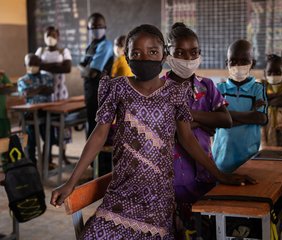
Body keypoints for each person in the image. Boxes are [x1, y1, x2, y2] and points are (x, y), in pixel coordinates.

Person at [51, 24, 255, 239]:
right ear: (127, 57)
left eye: (152, 52)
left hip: (159, 198)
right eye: (136, 53)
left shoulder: (175, 92)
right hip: (121, 194)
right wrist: (71, 182)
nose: (145, 58)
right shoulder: (117, 87)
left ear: (163, 55)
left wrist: (220, 175)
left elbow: (187, 139)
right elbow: (99, 135)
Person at [162, 22, 232, 237]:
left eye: (193, 53)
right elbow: (167, 130)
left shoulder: (207, 86)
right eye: (180, 53)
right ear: (167, 54)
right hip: (172, 179)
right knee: (176, 230)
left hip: (205, 172)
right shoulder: (158, 89)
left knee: (205, 229)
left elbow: (226, 120)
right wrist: (206, 121)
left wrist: (191, 118)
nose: (187, 59)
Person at [212, 39, 268, 173]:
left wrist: (226, 116)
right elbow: (214, 119)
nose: (238, 65)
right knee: (220, 190)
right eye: (233, 61)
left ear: (252, 63)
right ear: (227, 63)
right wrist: (251, 113)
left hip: (249, 155)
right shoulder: (219, 89)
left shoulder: (258, 89)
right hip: (221, 157)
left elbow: (261, 118)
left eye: (244, 61)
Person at [79, 12, 114, 176]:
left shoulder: (106, 45)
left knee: (100, 130)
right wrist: (86, 70)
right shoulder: (90, 45)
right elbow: (86, 71)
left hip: (100, 94)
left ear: (105, 27)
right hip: (90, 93)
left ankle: (103, 170)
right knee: (91, 127)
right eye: (93, 27)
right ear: (88, 28)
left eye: (100, 26)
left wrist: (85, 69)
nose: (97, 29)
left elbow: (92, 72)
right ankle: (95, 166)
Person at [35, 25, 73, 166]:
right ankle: (48, 157)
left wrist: (45, 66)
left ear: (58, 36)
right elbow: (36, 66)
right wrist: (57, 66)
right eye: (47, 35)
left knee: (63, 125)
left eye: (53, 35)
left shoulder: (64, 51)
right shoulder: (41, 51)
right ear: (44, 37)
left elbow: (67, 68)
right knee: (47, 125)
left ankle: (63, 155)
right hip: (45, 95)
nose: (50, 38)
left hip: (61, 93)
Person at [17, 53, 54, 165]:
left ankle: (47, 161)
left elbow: (50, 90)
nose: (33, 65)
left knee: (49, 138)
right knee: (30, 140)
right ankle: (31, 163)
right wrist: (42, 88)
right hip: (30, 114)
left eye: (36, 63)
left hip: (46, 112)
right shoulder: (22, 80)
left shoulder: (47, 76)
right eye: (30, 64)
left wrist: (34, 90)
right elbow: (26, 93)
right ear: (25, 64)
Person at [0, 70, 14, 138]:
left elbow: (10, 87)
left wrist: (3, 74)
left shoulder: (1, 75)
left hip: (2, 114)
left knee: (6, 137)